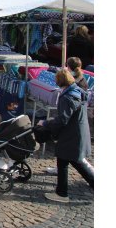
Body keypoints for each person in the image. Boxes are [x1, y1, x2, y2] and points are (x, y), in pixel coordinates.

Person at [40, 69, 94, 203]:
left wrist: (46, 123)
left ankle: (62, 194)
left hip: (71, 135)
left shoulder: (68, 97)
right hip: (78, 132)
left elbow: (63, 119)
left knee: (64, 161)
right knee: (76, 160)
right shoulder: (77, 91)